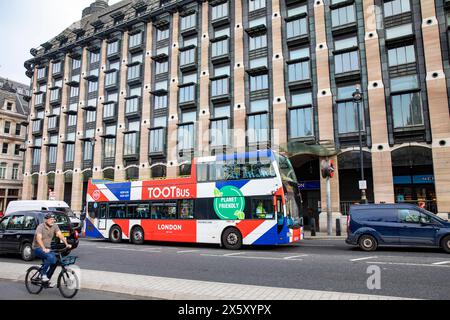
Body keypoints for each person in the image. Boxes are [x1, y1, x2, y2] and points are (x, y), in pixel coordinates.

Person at [32, 213, 72, 285]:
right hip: (38, 248)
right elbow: (38, 238)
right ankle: (43, 274)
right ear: (46, 220)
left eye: (53, 219)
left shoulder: (54, 226)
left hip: (48, 248)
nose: (52, 221)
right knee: (50, 257)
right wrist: (43, 248)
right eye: (50, 219)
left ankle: (46, 280)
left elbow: (60, 235)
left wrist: (67, 244)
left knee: (55, 262)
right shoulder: (40, 227)